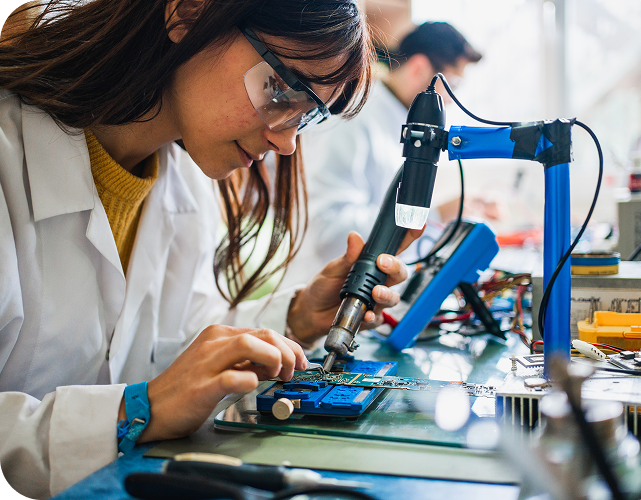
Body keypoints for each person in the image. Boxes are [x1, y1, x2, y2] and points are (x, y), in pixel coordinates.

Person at [0, 2, 421, 498]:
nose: (287, 144)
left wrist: (299, 317)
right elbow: (153, 392)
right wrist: (140, 407)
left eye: (306, 118)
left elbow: (181, 344)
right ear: (188, 15)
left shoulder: (185, 190)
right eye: (282, 88)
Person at [282, 21, 490, 288]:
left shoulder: (396, 119)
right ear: (419, 69)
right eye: (453, 85)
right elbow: (330, 233)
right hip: (320, 297)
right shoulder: (352, 117)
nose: (450, 100)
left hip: (371, 289)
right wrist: (435, 214)